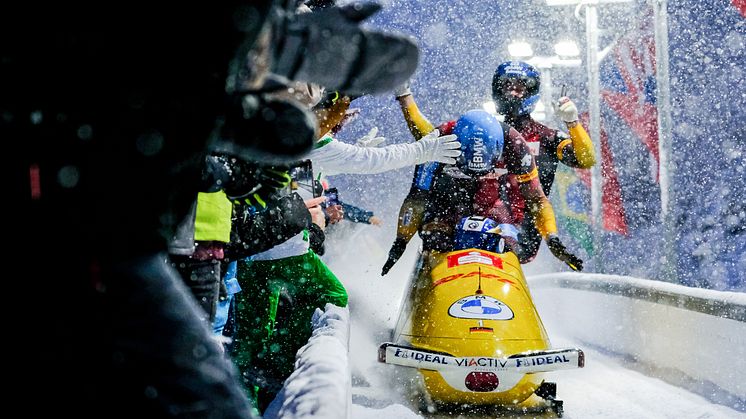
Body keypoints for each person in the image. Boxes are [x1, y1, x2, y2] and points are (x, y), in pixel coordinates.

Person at [381, 109, 584, 276]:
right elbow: (418, 197)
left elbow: (537, 200)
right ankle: (433, 273)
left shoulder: (516, 145)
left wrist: (552, 239)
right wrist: (401, 241)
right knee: (437, 235)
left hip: (492, 200)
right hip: (448, 197)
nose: (476, 176)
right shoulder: (438, 141)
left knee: (506, 241)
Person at [491, 60, 596, 262]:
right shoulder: (487, 132)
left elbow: (586, 159)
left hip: (526, 235)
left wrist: (572, 123)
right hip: (488, 225)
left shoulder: (546, 136)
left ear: (530, 92)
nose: (513, 94)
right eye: (507, 88)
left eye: (519, 89)